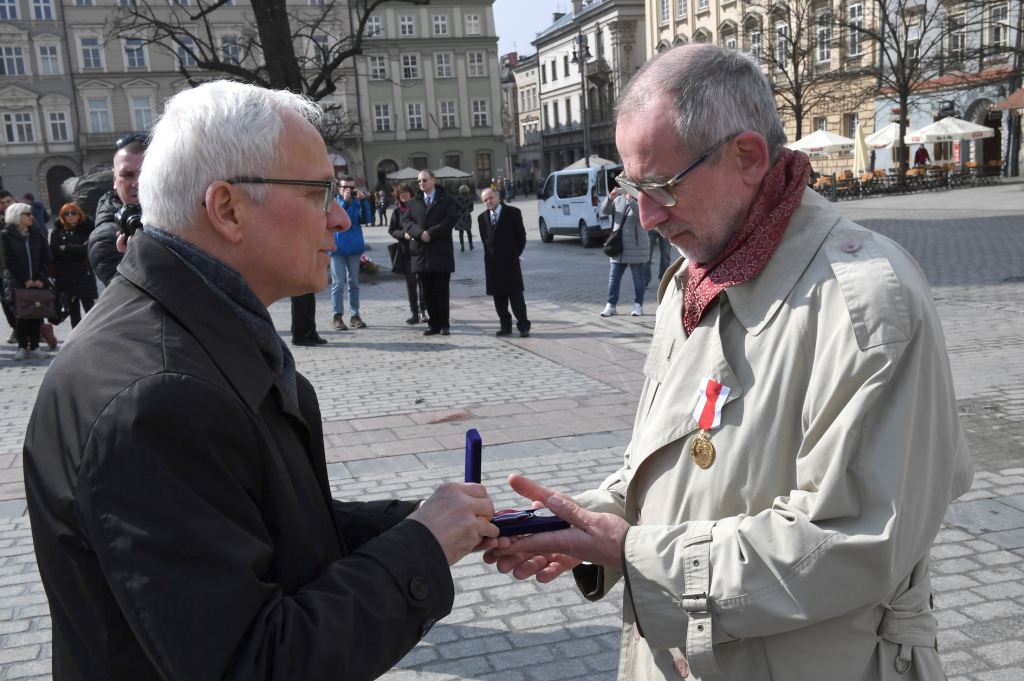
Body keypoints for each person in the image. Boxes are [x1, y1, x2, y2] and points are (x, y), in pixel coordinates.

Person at [486, 44, 972, 681]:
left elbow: (852, 544)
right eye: (631, 186)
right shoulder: (695, 277)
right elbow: (674, 464)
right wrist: (579, 521)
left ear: (747, 156)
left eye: (661, 187)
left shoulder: (865, 299)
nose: (646, 216)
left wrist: (633, 554)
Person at [24, 80, 500, 680]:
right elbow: (253, 662)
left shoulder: (189, 328)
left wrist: (425, 523)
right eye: (318, 193)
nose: (340, 216)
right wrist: (422, 549)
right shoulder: (158, 395)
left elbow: (260, 529)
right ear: (227, 209)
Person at [401, 170, 458, 336]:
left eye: (424, 180)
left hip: (440, 251)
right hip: (421, 253)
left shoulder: (445, 199)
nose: (421, 183)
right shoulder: (414, 201)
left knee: (441, 290)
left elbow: (450, 220)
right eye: (419, 181)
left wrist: (430, 233)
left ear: (433, 180)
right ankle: (433, 324)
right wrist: (420, 233)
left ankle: (444, 324)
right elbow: (406, 221)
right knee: (426, 291)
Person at [88, 136, 145, 287]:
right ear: (115, 179)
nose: (137, 183)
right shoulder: (104, 239)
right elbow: (130, 297)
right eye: (127, 175)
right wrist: (137, 258)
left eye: (145, 172)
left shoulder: (177, 218)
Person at [2, 203, 52, 360]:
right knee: (21, 315)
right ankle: (22, 347)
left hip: (37, 281)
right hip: (17, 282)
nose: (31, 216)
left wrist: (40, 279)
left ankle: (36, 347)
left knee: (36, 313)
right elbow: (8, 259)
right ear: (17, 216)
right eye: (27, 214)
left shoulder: (36, 232)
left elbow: (46, 257)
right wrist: (26, 280)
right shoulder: (5, 234)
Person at [478, 188, 529, 338]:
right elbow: (485, 240)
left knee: (516, 297)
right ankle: (505, 326)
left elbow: (521, 237)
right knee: (499, 298)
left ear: (498, 197)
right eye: (485, 200)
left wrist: (514, 254)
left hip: (510, 263)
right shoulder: (482, 218)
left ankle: (523, 326)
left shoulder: (513, 213)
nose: (489, 201)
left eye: (490, 198)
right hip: (493, 265)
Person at [599, 187, 648, 317]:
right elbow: (604, 210)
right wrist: (610, 198)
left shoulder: (641, 195)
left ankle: (638, 305)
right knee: (613, 278)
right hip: (618, 246)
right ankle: (611, 305)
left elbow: (642, 216)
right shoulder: (618, 199)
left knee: (638, 278)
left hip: (635, 247)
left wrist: (631, 200)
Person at [49, 203, 98, 328]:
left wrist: (67, 247)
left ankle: (93, 334)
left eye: (73, 212)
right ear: (62, 216)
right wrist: (79, 249)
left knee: (90, 308)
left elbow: (87, 250)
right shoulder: (58, 231)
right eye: (66, 213)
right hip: (66, 276)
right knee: (73, 310)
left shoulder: (87, 229)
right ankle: (77, 338)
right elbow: (55, 251)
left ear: (79, 214)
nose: (70, 216)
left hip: (84, 274)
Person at [331, 177, 368, 331]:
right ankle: (337, 315)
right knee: (338, 283)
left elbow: (366, 219)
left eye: (352, 188)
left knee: (354, 283)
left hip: (354, 247)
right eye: (345, 187)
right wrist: (344, 202)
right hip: (337, 248)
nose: (349, 190)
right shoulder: (333, 202)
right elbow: (334, 219)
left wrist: (364, 201)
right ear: (339, 188)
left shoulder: (357, 201)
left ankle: (355, 315)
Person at [389, 182, 428, 324]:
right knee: (411, 284)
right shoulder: (396, 212)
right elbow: (392, 230)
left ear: (411, 193)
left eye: (406, 192)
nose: (404, 195)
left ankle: (424, 311)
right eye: (401, 193)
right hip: (406, 252)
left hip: (420, 251)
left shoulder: (418, 208)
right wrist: (402, 234)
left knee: (423, 283)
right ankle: (415, 313)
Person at [0, 190, 17, 343]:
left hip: (20, 268)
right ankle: (16, 329)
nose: (5, 205)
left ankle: (36, 331)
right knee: (6, 302)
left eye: (8, 201)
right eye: (2, 203)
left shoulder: (24, 215)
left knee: (29, 299)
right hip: (2, 270)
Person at [455, 185, 474, 252]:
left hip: (460, 216)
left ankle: (462, 246)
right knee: (469, 231)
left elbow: (455, 208)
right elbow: (471, 209)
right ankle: (471, 245)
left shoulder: (457, 198)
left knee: (461, 232)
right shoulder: (470, 198)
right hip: (467, 216)